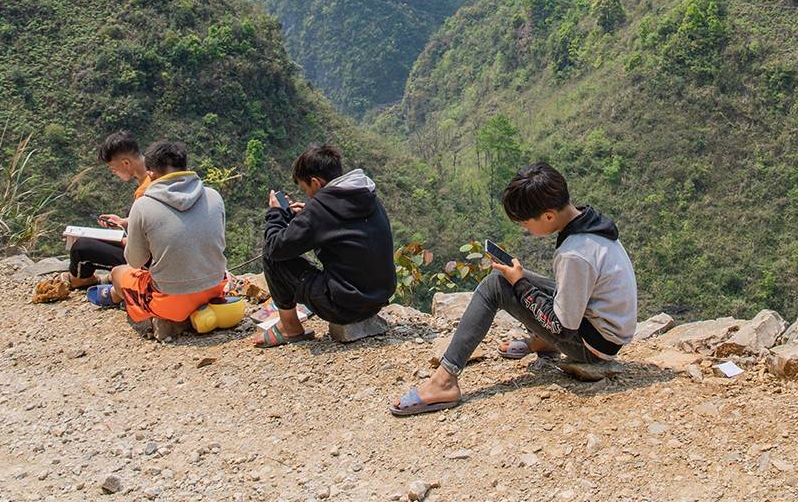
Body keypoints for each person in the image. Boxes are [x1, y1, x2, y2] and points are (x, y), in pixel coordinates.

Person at [391, 161, 637, 415]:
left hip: (592, 346)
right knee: (517, 278)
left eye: (525, 223)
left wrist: (520, 285)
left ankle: (444, 381)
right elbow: (575, 290)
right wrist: (522, 281)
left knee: (495, 285)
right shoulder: (589, 222)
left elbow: (562, 328)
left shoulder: (574, 254)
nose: (525, 229)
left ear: (549, 216)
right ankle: (543, 343)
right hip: (599, 326)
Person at [253, 144, 395, 347]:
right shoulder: (366, 194)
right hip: (377, 299)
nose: (309, 196)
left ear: (315, 182)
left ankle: (289, 327)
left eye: (306, 189)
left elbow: (276, 247)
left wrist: (275, 214)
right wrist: (308, 213)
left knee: (270, 252)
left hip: (343, 306)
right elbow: (339, 227)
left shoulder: (320, 210)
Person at [108, 140, 229, 339]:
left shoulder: (143, 205)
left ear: (151, 174)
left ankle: (163, 317)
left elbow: (134, 261)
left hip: (170, 301)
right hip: (216, 292)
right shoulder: (214, 196)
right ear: (185, 168)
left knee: (118, 273)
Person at [67, 130, 148, 290]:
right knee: (128, 213)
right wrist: (123, 222)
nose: (113, 172)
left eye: (113, 168)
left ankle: (83, 281)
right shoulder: (156, 172)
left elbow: (141, 247)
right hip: (163, 253)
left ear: (126, 163)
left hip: (147, 261)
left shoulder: (145, 193)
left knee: (80, 247)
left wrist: (111, 239)